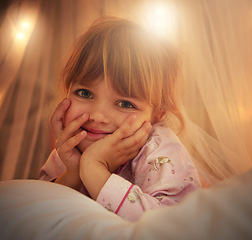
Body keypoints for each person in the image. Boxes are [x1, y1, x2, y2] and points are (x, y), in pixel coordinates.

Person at [39, 16, 201, 222]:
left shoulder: (160, 149)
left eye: (125, 104)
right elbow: (39, 217)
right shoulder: (69, 147)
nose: (97, 116)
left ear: (156, 115)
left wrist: (93, 167)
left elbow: (175, 226)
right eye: (85, 93)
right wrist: (72, 173)